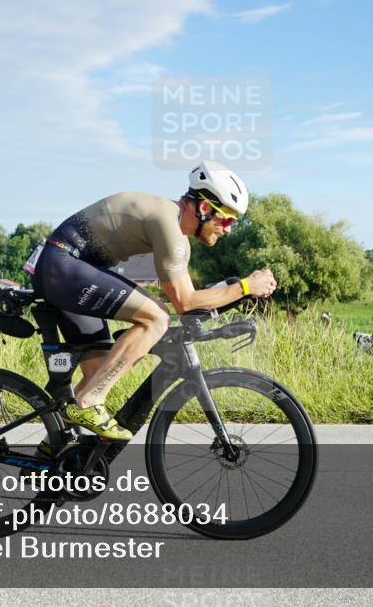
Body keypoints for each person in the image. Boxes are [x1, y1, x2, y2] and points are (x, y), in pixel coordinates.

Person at [26, 161, 277, 440]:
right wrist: (245, 286)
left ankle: (55, 447)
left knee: (99, 372)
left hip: (70, 269)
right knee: (156, 318)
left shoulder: (172, 227)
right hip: (62, 265)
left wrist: (233, 291)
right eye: (227, 220)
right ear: (204, 208)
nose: (228, 230)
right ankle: (87, 404)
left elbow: (190, 297)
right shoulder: (168, 225)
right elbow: (184, 302)